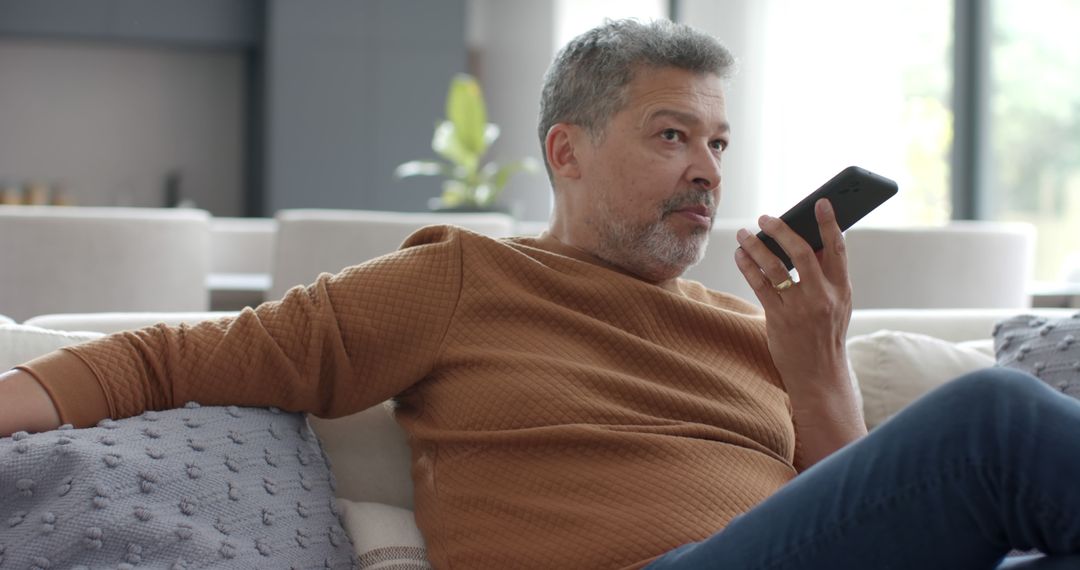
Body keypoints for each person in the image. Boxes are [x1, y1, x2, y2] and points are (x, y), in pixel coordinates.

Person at [2, 18, 1080, 570]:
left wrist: (815, 362)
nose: (707, 169)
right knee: (991, 420)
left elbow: (869, 530)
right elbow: (173, 357)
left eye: (718, 142)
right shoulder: (463, 281)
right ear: (567, 152)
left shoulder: (752, 325)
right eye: (671, 136)